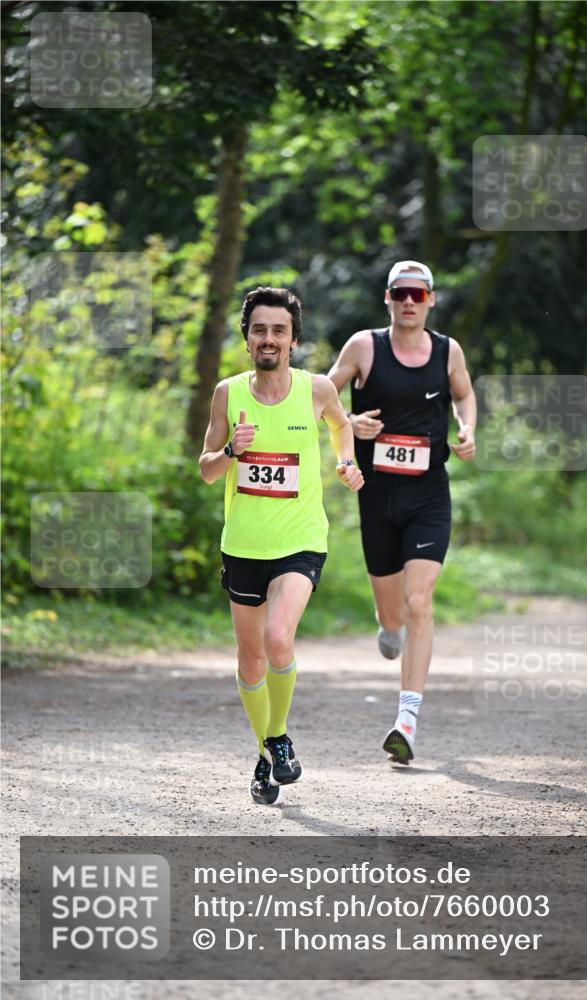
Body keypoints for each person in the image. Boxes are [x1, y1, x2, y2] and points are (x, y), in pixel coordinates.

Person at [199, 287, 363, 805]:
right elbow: (206, 471)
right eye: (259, 330)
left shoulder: (315, 390)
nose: (268, 339)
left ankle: (279, 734)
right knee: (250, 663)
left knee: (277, 638)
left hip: (300, 540)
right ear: (247, 338)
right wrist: (230, 451)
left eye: (278, 330)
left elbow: (342, 427)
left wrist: (347, 462)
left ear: (293, 339)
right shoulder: (229, 393)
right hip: (243, 545)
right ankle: (269, 751)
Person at [328, 260, 476, 764]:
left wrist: (467, 428)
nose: (409, 301)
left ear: (431, 299)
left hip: (430, 495)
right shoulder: (363, 347)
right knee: (393, 615)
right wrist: (349, 420)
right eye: (400, 293)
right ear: (387, 298)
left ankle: (406, 721)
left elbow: (465, 395)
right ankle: (386, 628)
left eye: (418, 294)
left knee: (419, 604)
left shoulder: (447, 351)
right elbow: (319, 401)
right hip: (377, 497)